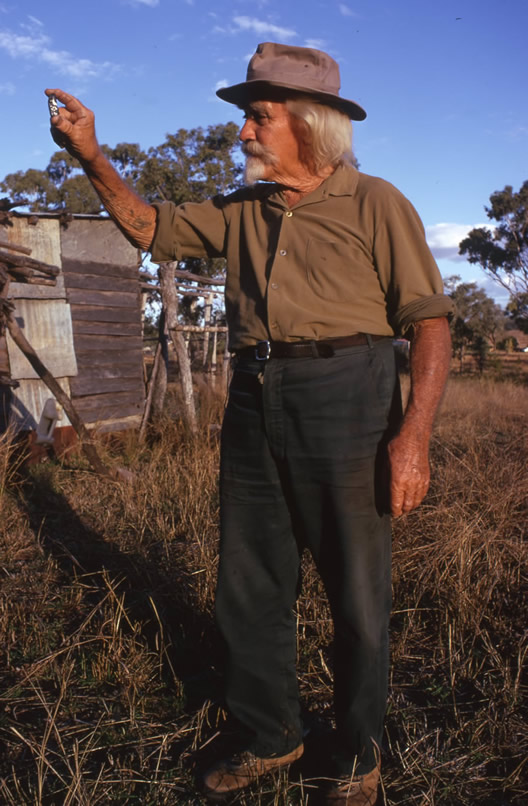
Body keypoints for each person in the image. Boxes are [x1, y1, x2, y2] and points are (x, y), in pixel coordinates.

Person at [46, 41, 452, 805]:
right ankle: (272, 735)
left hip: (350, 393)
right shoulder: (239, 212)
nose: (242, 134)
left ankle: (359, 755)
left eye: (257, 118)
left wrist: (414, 437)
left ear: (310, 124)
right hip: (255, 393)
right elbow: (149, 230)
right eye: (244, 119)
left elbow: (429, 323)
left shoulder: (376, 203)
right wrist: (92, 156)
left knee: (356, 588)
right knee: (250, 582)